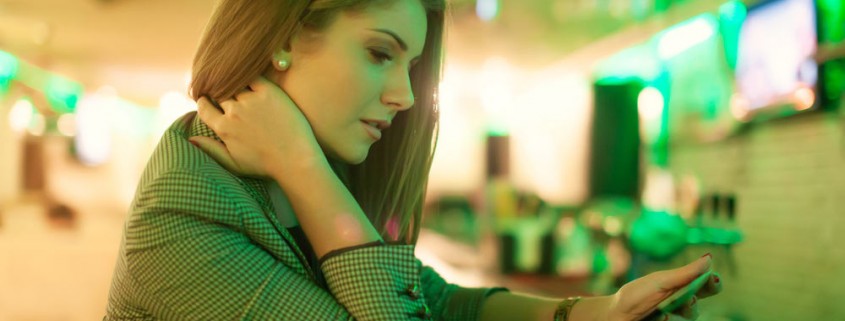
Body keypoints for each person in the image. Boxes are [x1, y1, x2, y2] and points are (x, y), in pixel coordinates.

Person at [104, 0, 722, 320]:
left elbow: (431, 300)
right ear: (285, 39)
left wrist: (596, 312)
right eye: (380, 53)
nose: (404, 96)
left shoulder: (292, 169)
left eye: (411, 66)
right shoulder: (181, 216)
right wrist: (302, 163)